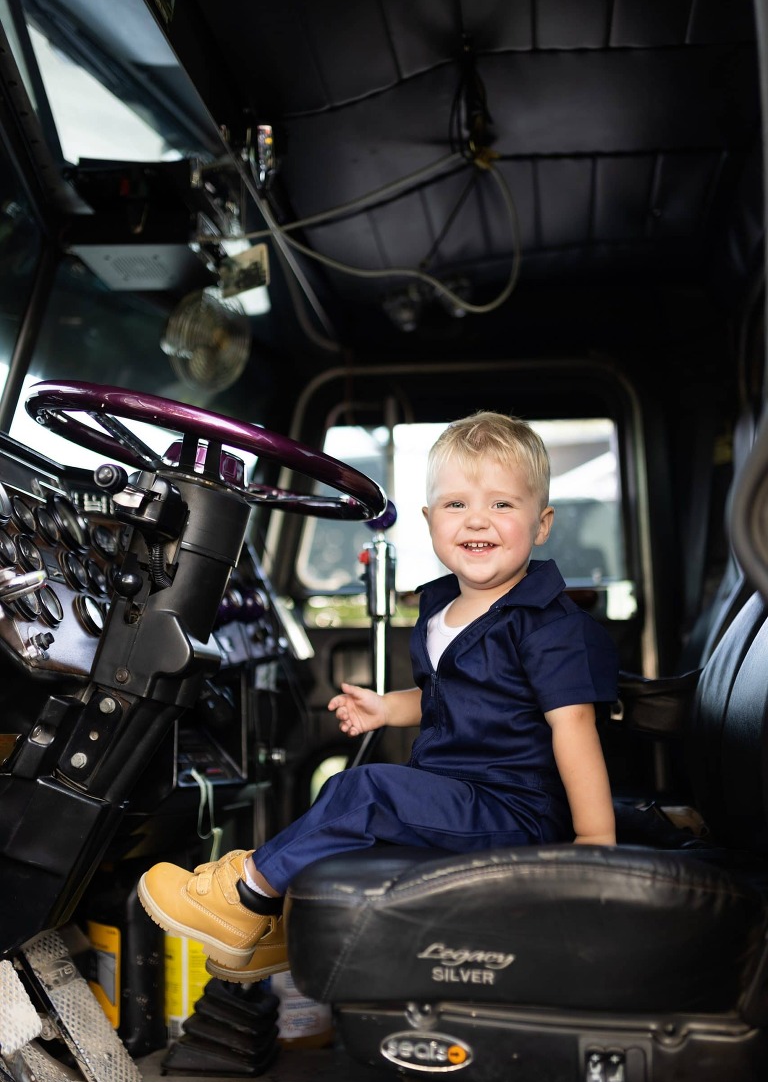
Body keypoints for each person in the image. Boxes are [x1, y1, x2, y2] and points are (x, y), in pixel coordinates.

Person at [137, 411, 618, 983]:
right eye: (456, 504)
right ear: (430, 519)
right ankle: (281, 928)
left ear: (542, 525)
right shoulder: (443, 610)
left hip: (515, 810)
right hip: (460, 796)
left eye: (502, 505)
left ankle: (246, 896)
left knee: (365, 791)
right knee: (354, 804)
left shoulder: (547, 624)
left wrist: (593, 844)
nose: (477, 520)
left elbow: (575, 727)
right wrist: (389, 708)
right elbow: (452, 697)